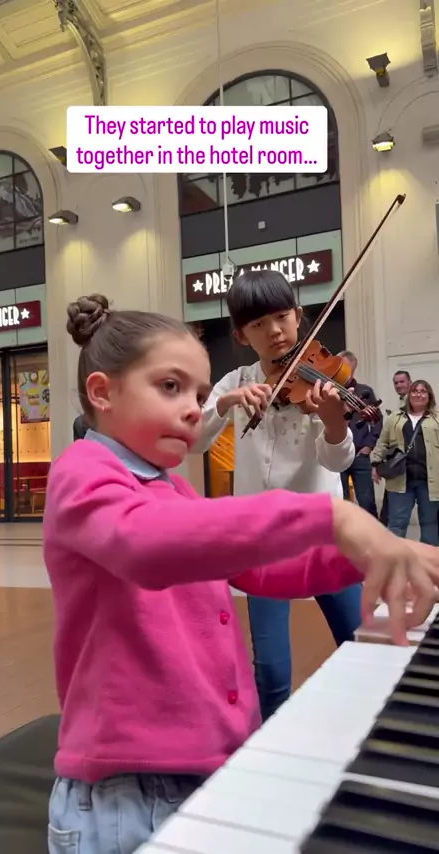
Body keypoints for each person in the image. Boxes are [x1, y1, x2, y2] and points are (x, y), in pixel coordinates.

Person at [44, 293, 438, 854]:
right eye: (171, 386)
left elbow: (259, 566)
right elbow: (146, 544)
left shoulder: (172, 489)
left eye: (199, 394)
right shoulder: (82, 470)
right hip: (125, 792)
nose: (193, 409)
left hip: (212, 763)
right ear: (102, 392)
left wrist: (379, 553)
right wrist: (328, 515)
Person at [194, 270, 361, 720]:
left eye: (282, 317)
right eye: (258, 324)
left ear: (299, 316)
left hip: (323, 534)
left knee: (359, 641)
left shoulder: (320, 380)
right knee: (270, 671)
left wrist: (333, 422)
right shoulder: (236, 382)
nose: (274, 331)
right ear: (241, 335)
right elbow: (193, 441)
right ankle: (269, 743)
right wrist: (224, 403)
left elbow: (337, 461)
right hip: (261, 540)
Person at [372, 379, 439, 545]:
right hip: (400, 479)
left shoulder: (436, 418)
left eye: (423, 391)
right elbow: (382, 442)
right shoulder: (395, 418)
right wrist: (375, 464)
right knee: (397, 523)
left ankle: (428, 558)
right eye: (415, 391)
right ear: (409, 395)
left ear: (429, 396)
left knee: (430, 524)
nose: (418, 394)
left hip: (429, 481)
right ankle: (394, 557)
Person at [338, 350, 382, 517]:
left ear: (353, 368)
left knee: (367, 501)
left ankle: (371, 532)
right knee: (340, 501)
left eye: (344, 367)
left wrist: (369, 445)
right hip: (337, 454)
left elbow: (377, 419)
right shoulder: (331, 391)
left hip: (359, 455)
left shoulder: (365, 391)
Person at [381, 370, 412, 526]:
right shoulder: (396, 405)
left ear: (409, 383)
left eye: (402, 382)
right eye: (396, 383)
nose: (399, 385)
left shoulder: (417, 403)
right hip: (397, 460)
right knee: (391, 504)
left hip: (414, 461)